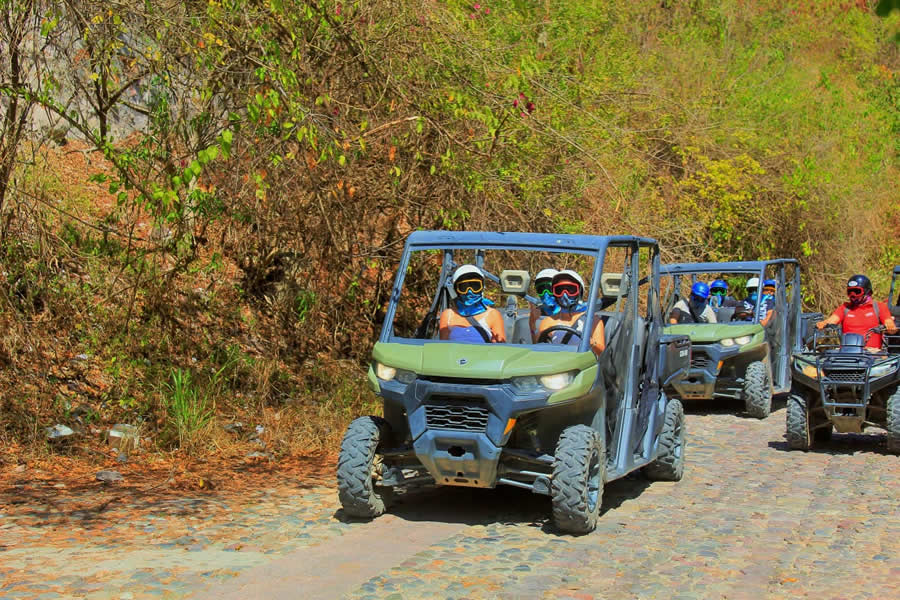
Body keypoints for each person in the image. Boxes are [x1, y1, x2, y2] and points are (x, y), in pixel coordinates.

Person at [816, 274, 897, 350]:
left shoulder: (879, 307)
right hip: (848, 352)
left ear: (867, 292)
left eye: (857, 291)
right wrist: (823, 323)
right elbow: (832, 320)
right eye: (850, 292)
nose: (853, 295)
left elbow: (888, 321)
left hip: (872, 354)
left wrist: (890, 326)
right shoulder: (845, 308)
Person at [535, 269, 605, 355]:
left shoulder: (593, 321)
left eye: (571, 289)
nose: (564, 294)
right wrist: (532, 324)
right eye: (559, 290)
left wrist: (590, 342)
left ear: (579, 292)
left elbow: (602, 354)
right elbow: (538, 352)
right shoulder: (548, 322)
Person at [439, 265, 507, 343]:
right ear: (456, 290)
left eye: (475, 286)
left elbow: (499, 349)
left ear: (482, 287)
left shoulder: (493, 315)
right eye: (464, 287)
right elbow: (443, 348)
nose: (469, 291)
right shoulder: (448, 315)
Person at [529, 268, 559, 342]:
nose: (546, 293)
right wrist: (532, 323)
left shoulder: (571, 314)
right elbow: (537, 347)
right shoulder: (539, 316)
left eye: (550, 289)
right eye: (541, 289)